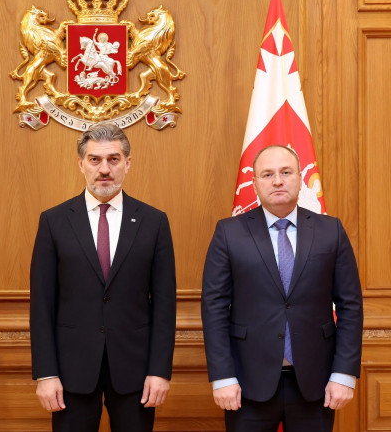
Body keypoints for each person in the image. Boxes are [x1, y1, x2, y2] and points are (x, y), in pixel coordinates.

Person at [201, 145, 363, 432]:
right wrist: (223, 376)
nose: (277, 181)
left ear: (300, 178)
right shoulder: (229, 232)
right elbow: (213, 308)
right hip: (247, 384)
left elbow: (350, 305)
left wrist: (343, 374)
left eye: (286, 172)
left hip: (317, 384)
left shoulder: (331, 231)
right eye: (267, 174)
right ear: (255, 183)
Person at [30, 123, 176, 432]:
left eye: (113, 159)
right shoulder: (54, 221)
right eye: (95, 160)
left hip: (137, 373)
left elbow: (165, 305)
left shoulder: (154, 222)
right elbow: (42, 305)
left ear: (128, 163)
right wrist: (46, 373)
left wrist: (159, 371)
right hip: (71, 372)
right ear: (81, 164)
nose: (104, 169)